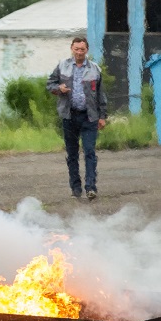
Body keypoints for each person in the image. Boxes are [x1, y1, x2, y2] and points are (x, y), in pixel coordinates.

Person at [46, 37, 107, 200]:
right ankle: (76, 187)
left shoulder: (95, 69)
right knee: (72, 153)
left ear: (87, 50)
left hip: (89, 117)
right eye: (76, 49)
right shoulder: (62, 66)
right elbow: (49, 84)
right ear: (71, 49)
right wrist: (59, 88)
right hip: (69, 115)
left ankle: (91, 187)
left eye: (82, 49)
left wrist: (102, 116)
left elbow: (101, 94)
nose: (79, 52)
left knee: (89, 152)